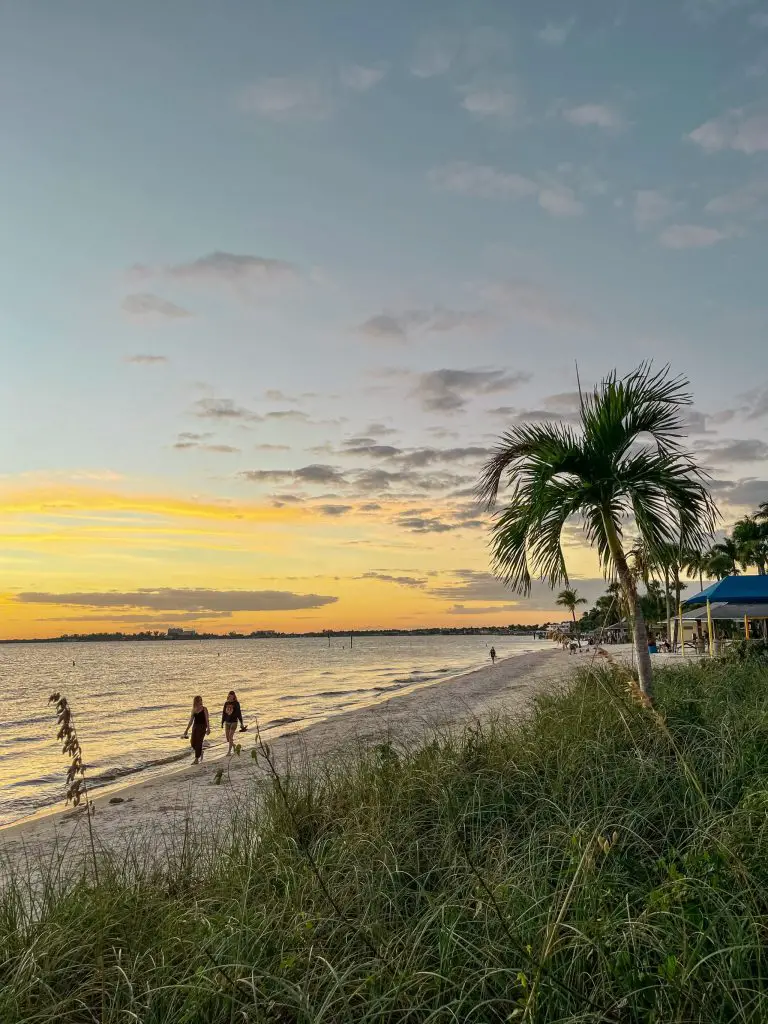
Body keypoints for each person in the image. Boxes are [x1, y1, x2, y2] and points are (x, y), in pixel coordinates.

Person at [183, 696, 210, 764]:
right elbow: (191, 721)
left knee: (199, 742)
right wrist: (186, 730)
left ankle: (196, 759)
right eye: (199, 700)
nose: (200, 701)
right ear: (196, 701)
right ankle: (200, 752)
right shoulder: (194, 709)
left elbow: (207, 719)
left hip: (202, 727)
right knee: (192, 742)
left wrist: (208, 728)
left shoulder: (204, 709)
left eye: (201, 700)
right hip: (195, 727)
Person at [221, 690, 246, 756]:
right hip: (227, 722)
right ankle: (235, 746)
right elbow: (224, 713)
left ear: (234, 696)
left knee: (230, 736)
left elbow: (239, 713)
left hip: (234, 722)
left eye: (231, 696)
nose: (230, 697)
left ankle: (229, 752)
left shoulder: (236, 703)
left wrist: (241, 723)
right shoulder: (226, 703)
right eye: (229, 695)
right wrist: (222, 722)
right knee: (228, 739)